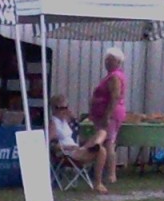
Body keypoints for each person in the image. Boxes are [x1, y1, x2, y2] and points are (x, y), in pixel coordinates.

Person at [82, 48, 129, 191]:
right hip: (104, 113)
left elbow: (114, 97)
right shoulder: (111, 76)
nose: (107, 62)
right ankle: (108, 173)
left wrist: (106, 116)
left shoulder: (115, 77)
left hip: (109, 114)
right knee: (107, 142)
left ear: (118, 62)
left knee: (106, 143)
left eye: (111, 59)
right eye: (106, 59)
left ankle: (109, 174)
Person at [48, 93, 93, 182]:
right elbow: (50, 144)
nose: (64, 111)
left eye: (66, 107)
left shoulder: (65, 122)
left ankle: (99, 182)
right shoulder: (53, 123)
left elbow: (78, 130)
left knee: (101, 145)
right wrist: (68, 147)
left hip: (75, 149)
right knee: (98, 151)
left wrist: (72, 118)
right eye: (61, 108)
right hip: (66, 153)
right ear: (54, 109)